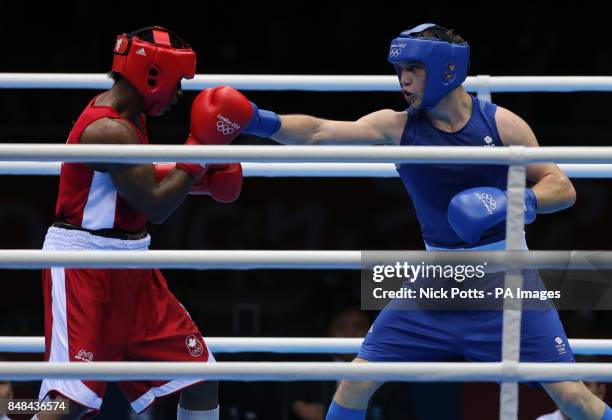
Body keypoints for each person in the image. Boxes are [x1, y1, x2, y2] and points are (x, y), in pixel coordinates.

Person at [240, 23, 612, 420]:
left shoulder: (502, 125)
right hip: (436, 281)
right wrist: (258, 121)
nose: (403, 79)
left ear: (446, 70)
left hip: (507, 279)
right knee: (355, 382)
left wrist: (513, 202)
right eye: (399, 69)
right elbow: (318, 132)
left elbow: (562, 187)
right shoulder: (398, 126)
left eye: (413, 68)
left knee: (574, 399)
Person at [36, 26, 253, 419]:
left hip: (133, 264)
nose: (179, 95)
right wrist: (197, 151)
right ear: (153, 76)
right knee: (69, 404)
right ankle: (10, 410)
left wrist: (197, 179)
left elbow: (136, 183)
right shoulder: (109, 129)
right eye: (178, 83)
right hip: (85, 265)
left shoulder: (131, 116)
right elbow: (155, 205)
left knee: (200, 378)